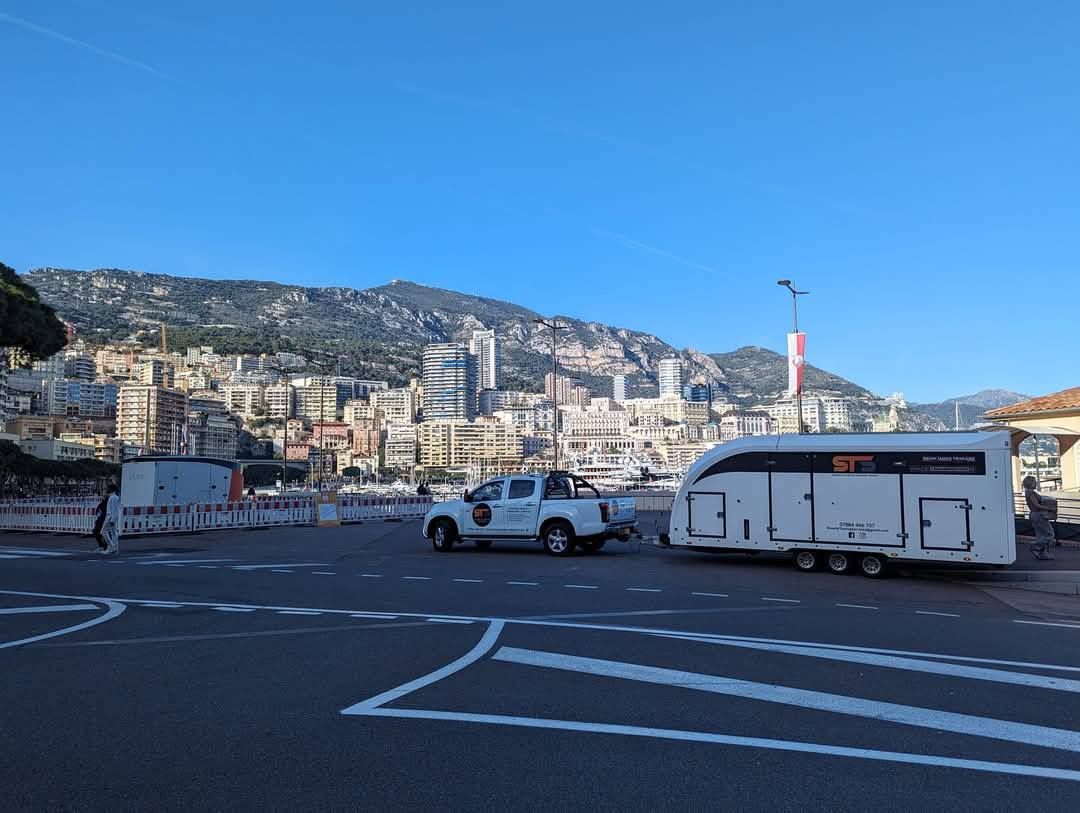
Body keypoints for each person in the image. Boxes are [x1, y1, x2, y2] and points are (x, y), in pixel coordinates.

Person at [1023, 475, 1057, 560]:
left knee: (1041, 535)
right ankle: (1035, 545)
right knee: (1050, 534)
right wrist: (1050, 508)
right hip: (1038, 515)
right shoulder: (1030, 492)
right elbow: (1036, 505)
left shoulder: (1028, 492)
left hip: (1034, 515)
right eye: (1034, 482)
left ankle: (1042, 554)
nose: (1036, 483)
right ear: (1030, 483)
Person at [100, 483, 121, 556]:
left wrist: (112, 520)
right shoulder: (113, 497)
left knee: (103, 532)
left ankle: (111, 547)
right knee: (113, 533)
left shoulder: (113, 497)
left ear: (111, 489)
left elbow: (115, 510)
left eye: (107, 488)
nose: (106, 490)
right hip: (111, 517)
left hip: (110, 517)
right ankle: (115, 548)